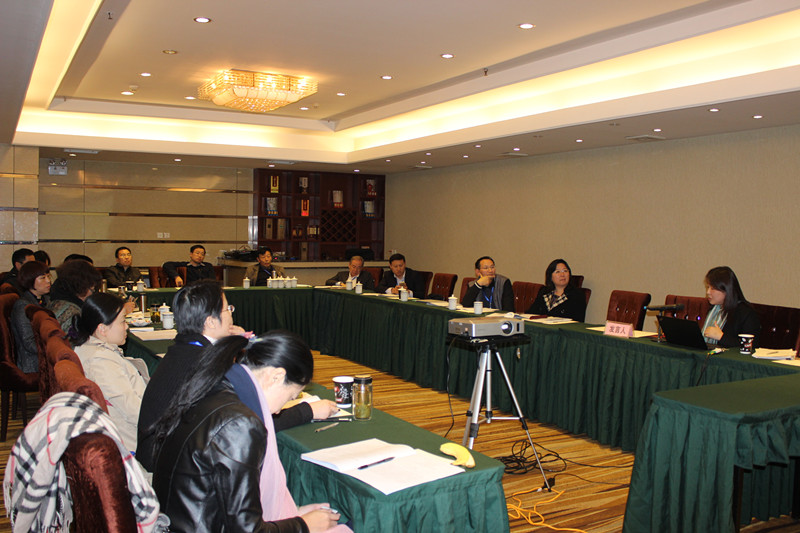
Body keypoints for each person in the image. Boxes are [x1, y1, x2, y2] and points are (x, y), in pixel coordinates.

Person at [149, 332, 345, 533]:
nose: (279, 411)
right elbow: (246, 530)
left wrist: (293, 515)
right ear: (276, 377)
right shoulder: (239, 423)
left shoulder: (213, 387)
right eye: (291, 396)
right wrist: (304, 525)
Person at [136, 279, 336, 471]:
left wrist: (242, 342)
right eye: (227, 309)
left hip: (159, 449)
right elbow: (248, 421)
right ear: (210, 321)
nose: (231, 313)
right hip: (167, 461)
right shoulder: (205, 363)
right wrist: (307, 411)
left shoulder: (186, 348)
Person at [73, 292, 147, 454]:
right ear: (102, 329)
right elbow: (133, 411)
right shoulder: (101, 362)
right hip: (130, 444)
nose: (126, 327)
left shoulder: (88, 349)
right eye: (123, 322)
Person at [701, 266, 760, 348]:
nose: (708, 292)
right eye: (708, 287)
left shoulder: (746, 313)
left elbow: (751, 346)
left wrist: (721, 337)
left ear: (727, 290)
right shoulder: (714, 309)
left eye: (713, 288)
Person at [9, 261, 51, 373]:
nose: (48, 281)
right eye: (42, 278)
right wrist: (54, 347)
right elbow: (29, 343)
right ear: (30, 281)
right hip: (33, 362)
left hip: (45, 356)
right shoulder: (23, 306)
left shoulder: (46, 300)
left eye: (48, 276)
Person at [48, 259, 102, 343]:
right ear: (81, 287)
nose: (91, 294)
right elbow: (76, 345)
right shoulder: (72, 313)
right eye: (92, 290)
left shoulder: (56, 300)